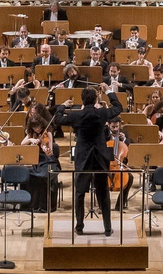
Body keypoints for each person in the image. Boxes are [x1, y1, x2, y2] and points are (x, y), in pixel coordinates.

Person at [51, 85, 124, 235]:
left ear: (82, 100)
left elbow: (57, 119)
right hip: (100, 156)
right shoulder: (102, 113)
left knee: (80, 192)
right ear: (96, 99)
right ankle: (108, 228)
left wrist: (63, 106)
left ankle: (79, 227)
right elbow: (118, 107)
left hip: (83, 156)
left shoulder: (78, 115)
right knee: (103, 191)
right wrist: (109, 91)